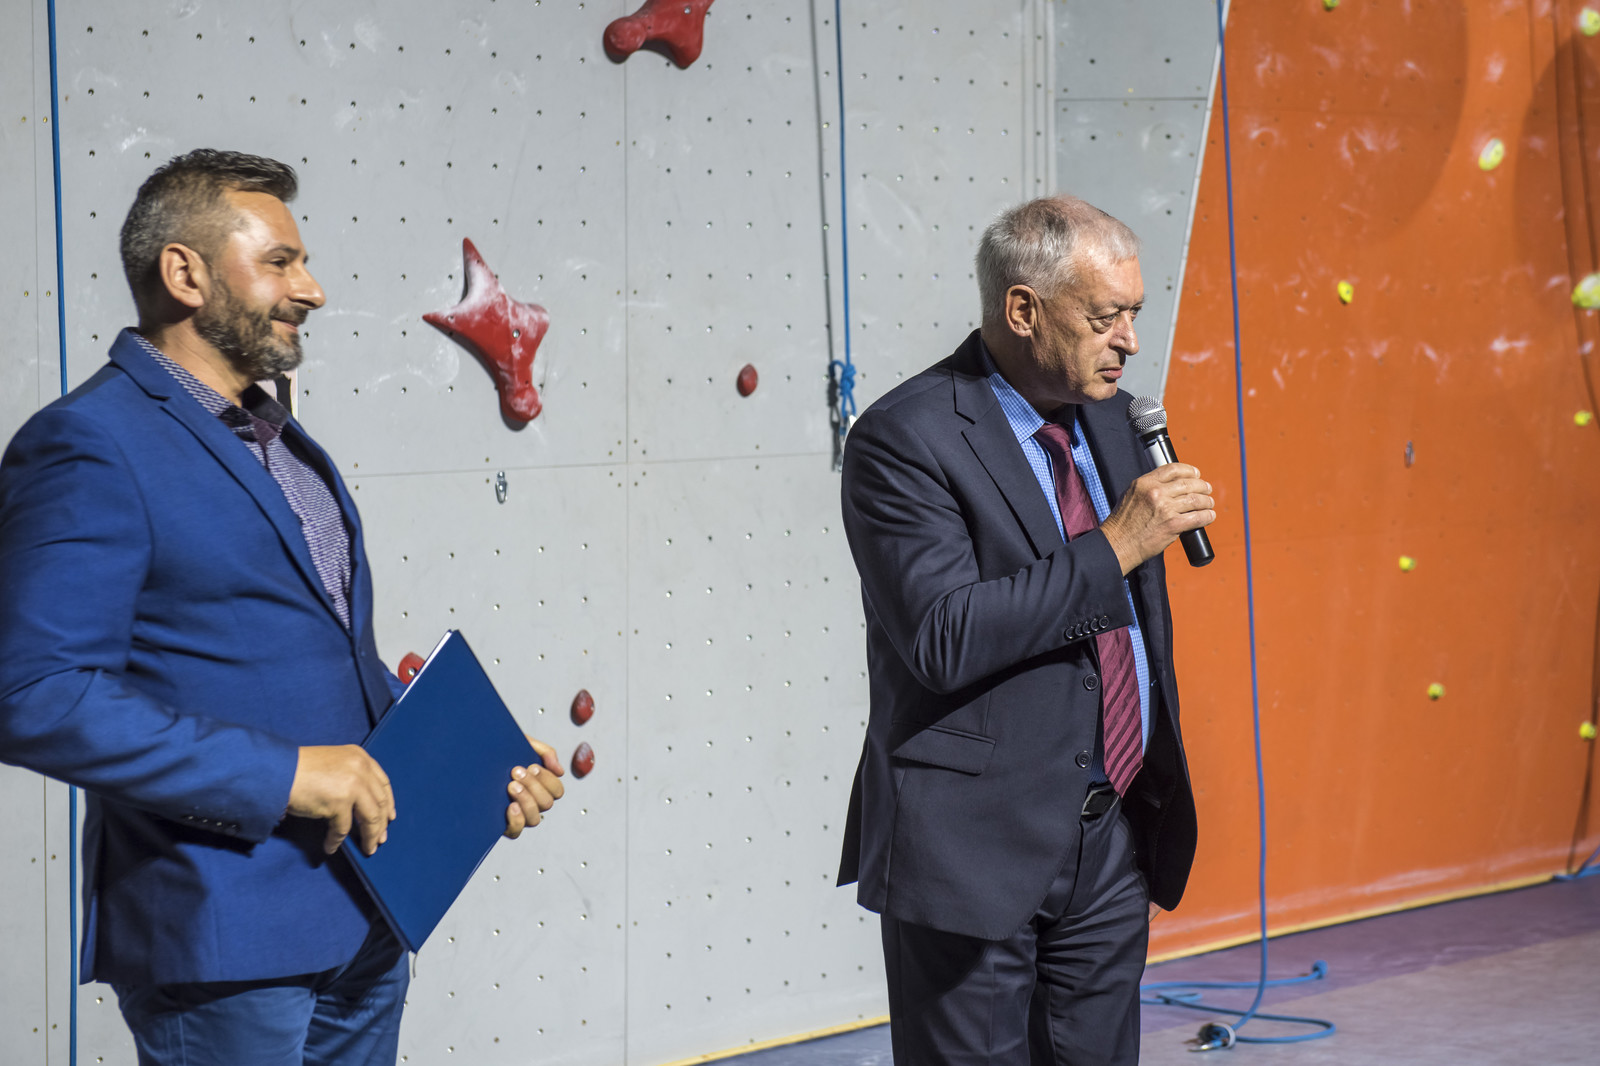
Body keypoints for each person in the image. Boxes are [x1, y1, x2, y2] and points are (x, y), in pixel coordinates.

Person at [0, 149, 565, 1066]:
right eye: (280, 262)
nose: (313, 289)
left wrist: (469, 762)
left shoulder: (277, 437)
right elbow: (34, 694)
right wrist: (282, 776)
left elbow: (310, 656)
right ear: (184, 274)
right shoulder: (88, 443)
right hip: (224, 943)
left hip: (365, 915)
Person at [836, 195, 1214, 1064]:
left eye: (1134, 314)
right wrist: (1116, 544)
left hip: (1108, 837)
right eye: (1105, 317)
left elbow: (1134, 633)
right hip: (972, 851)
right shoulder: (905, 438)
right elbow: (942, 636)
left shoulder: (1117, 420)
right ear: (1022, 310)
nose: (1128, 340)